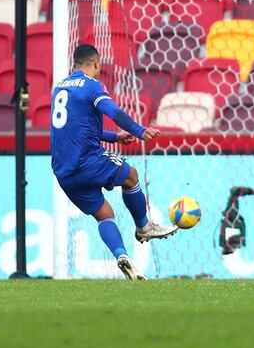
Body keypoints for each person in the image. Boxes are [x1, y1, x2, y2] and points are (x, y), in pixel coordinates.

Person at [51, 44, 177, 280]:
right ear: (96, 64)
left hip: (63, 172)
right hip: (87, 162)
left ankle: (121, 255)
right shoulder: (91, 86)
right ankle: (144, 227)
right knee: (132, 176)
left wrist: (114, 137)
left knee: (105, 214)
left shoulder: (59, 88)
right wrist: (139, 130)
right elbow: (113, 111)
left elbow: (77, 129)